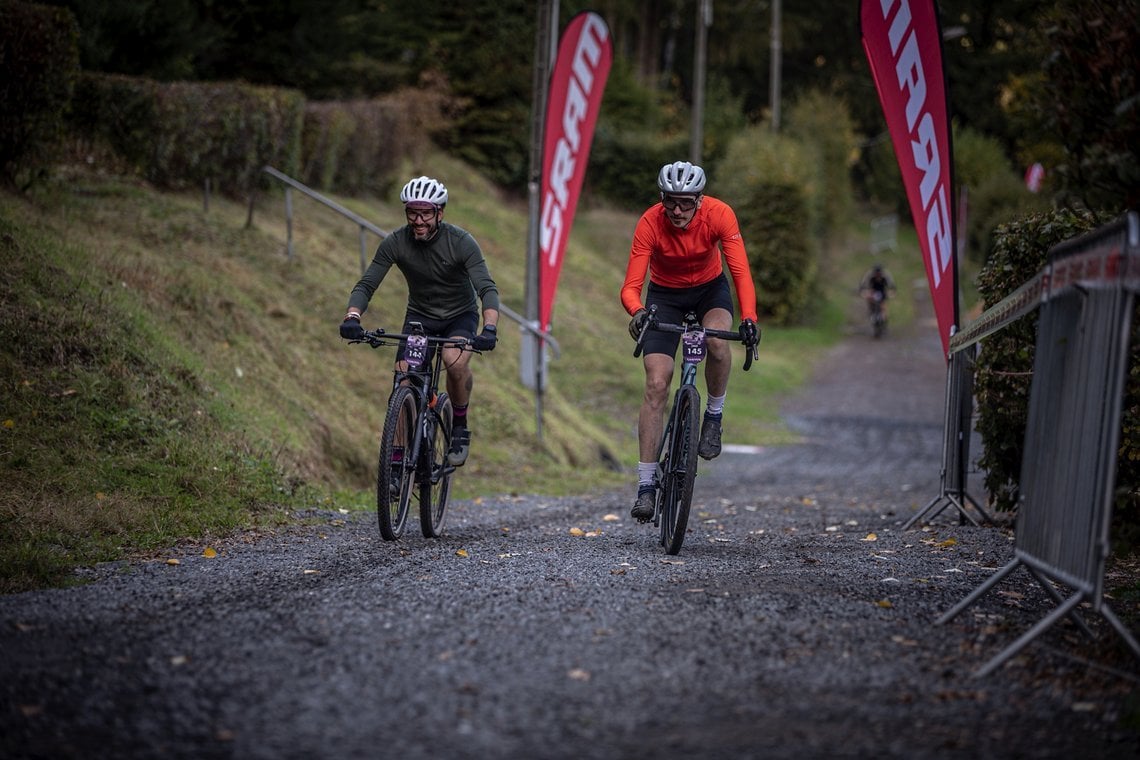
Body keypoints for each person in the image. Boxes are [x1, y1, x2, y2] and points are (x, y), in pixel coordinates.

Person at [621, 160, 760, 522]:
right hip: (663, 298)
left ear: (700, 199)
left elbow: (740, 271)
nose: (678, 210)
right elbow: (631, 286)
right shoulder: (650, 222)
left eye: (686, 202)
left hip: (709, 292)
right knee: (655, 383)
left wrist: (749, 318)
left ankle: (713, 416)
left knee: (716, 342)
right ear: (661, 198)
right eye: (671, 201)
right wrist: (637, 311)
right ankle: (647, 486)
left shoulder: (720, 215)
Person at [339, 175, 500, 467]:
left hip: (459, 316)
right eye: (412, 212)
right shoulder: (396, 242)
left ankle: (459, 427)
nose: (418, 220)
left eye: (426, 212)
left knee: (454, 360)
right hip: (420, 319)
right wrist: (352, 316)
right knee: (405, 380)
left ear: (440, 213)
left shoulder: (461, 242)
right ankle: (398, 460)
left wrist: (489, 327)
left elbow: (487, 289)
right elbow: (367, 284)